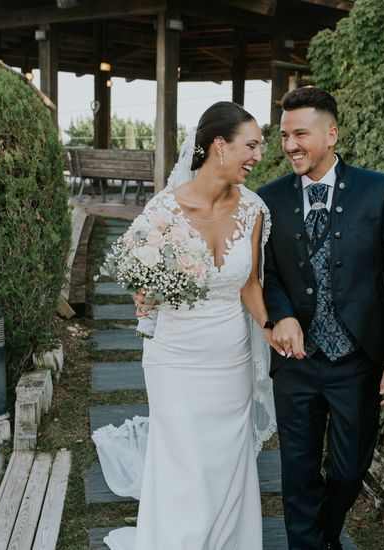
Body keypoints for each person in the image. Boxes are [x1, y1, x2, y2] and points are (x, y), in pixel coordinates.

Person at [100, 101, 277, 550]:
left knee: (225, 460)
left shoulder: (254, 210)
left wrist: (273, 328)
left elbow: (250, 284)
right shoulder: (165, 209)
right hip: (174, 357)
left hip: (230, 356)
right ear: (220, 146)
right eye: (251, 145)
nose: (258, 156)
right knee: (183, 462)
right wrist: (143, 291)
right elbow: (137, 267)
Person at [257, 87, 384, 550]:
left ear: (331, 134)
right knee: (298, 471)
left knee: (350, 471)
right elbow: (264, 275)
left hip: (357, 360)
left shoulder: (379, 189)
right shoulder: (267, 200)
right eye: (285, 135)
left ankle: (323, 537)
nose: (290, 145)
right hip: (296, 361)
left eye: (301, 134)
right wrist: (282, 315)